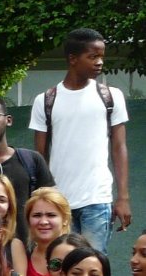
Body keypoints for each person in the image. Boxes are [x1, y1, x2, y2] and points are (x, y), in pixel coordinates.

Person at [30, 28, 130, 249]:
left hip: (97, 198)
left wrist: (123, 197)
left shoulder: (111, 96)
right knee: (59, 263)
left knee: (93, 264)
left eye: (102, 56)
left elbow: (119, 147)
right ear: (72, 59)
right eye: (93, 56)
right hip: (58, 202)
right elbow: (40, 156)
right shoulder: (45, 100)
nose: (99, 62)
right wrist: (42, 199)